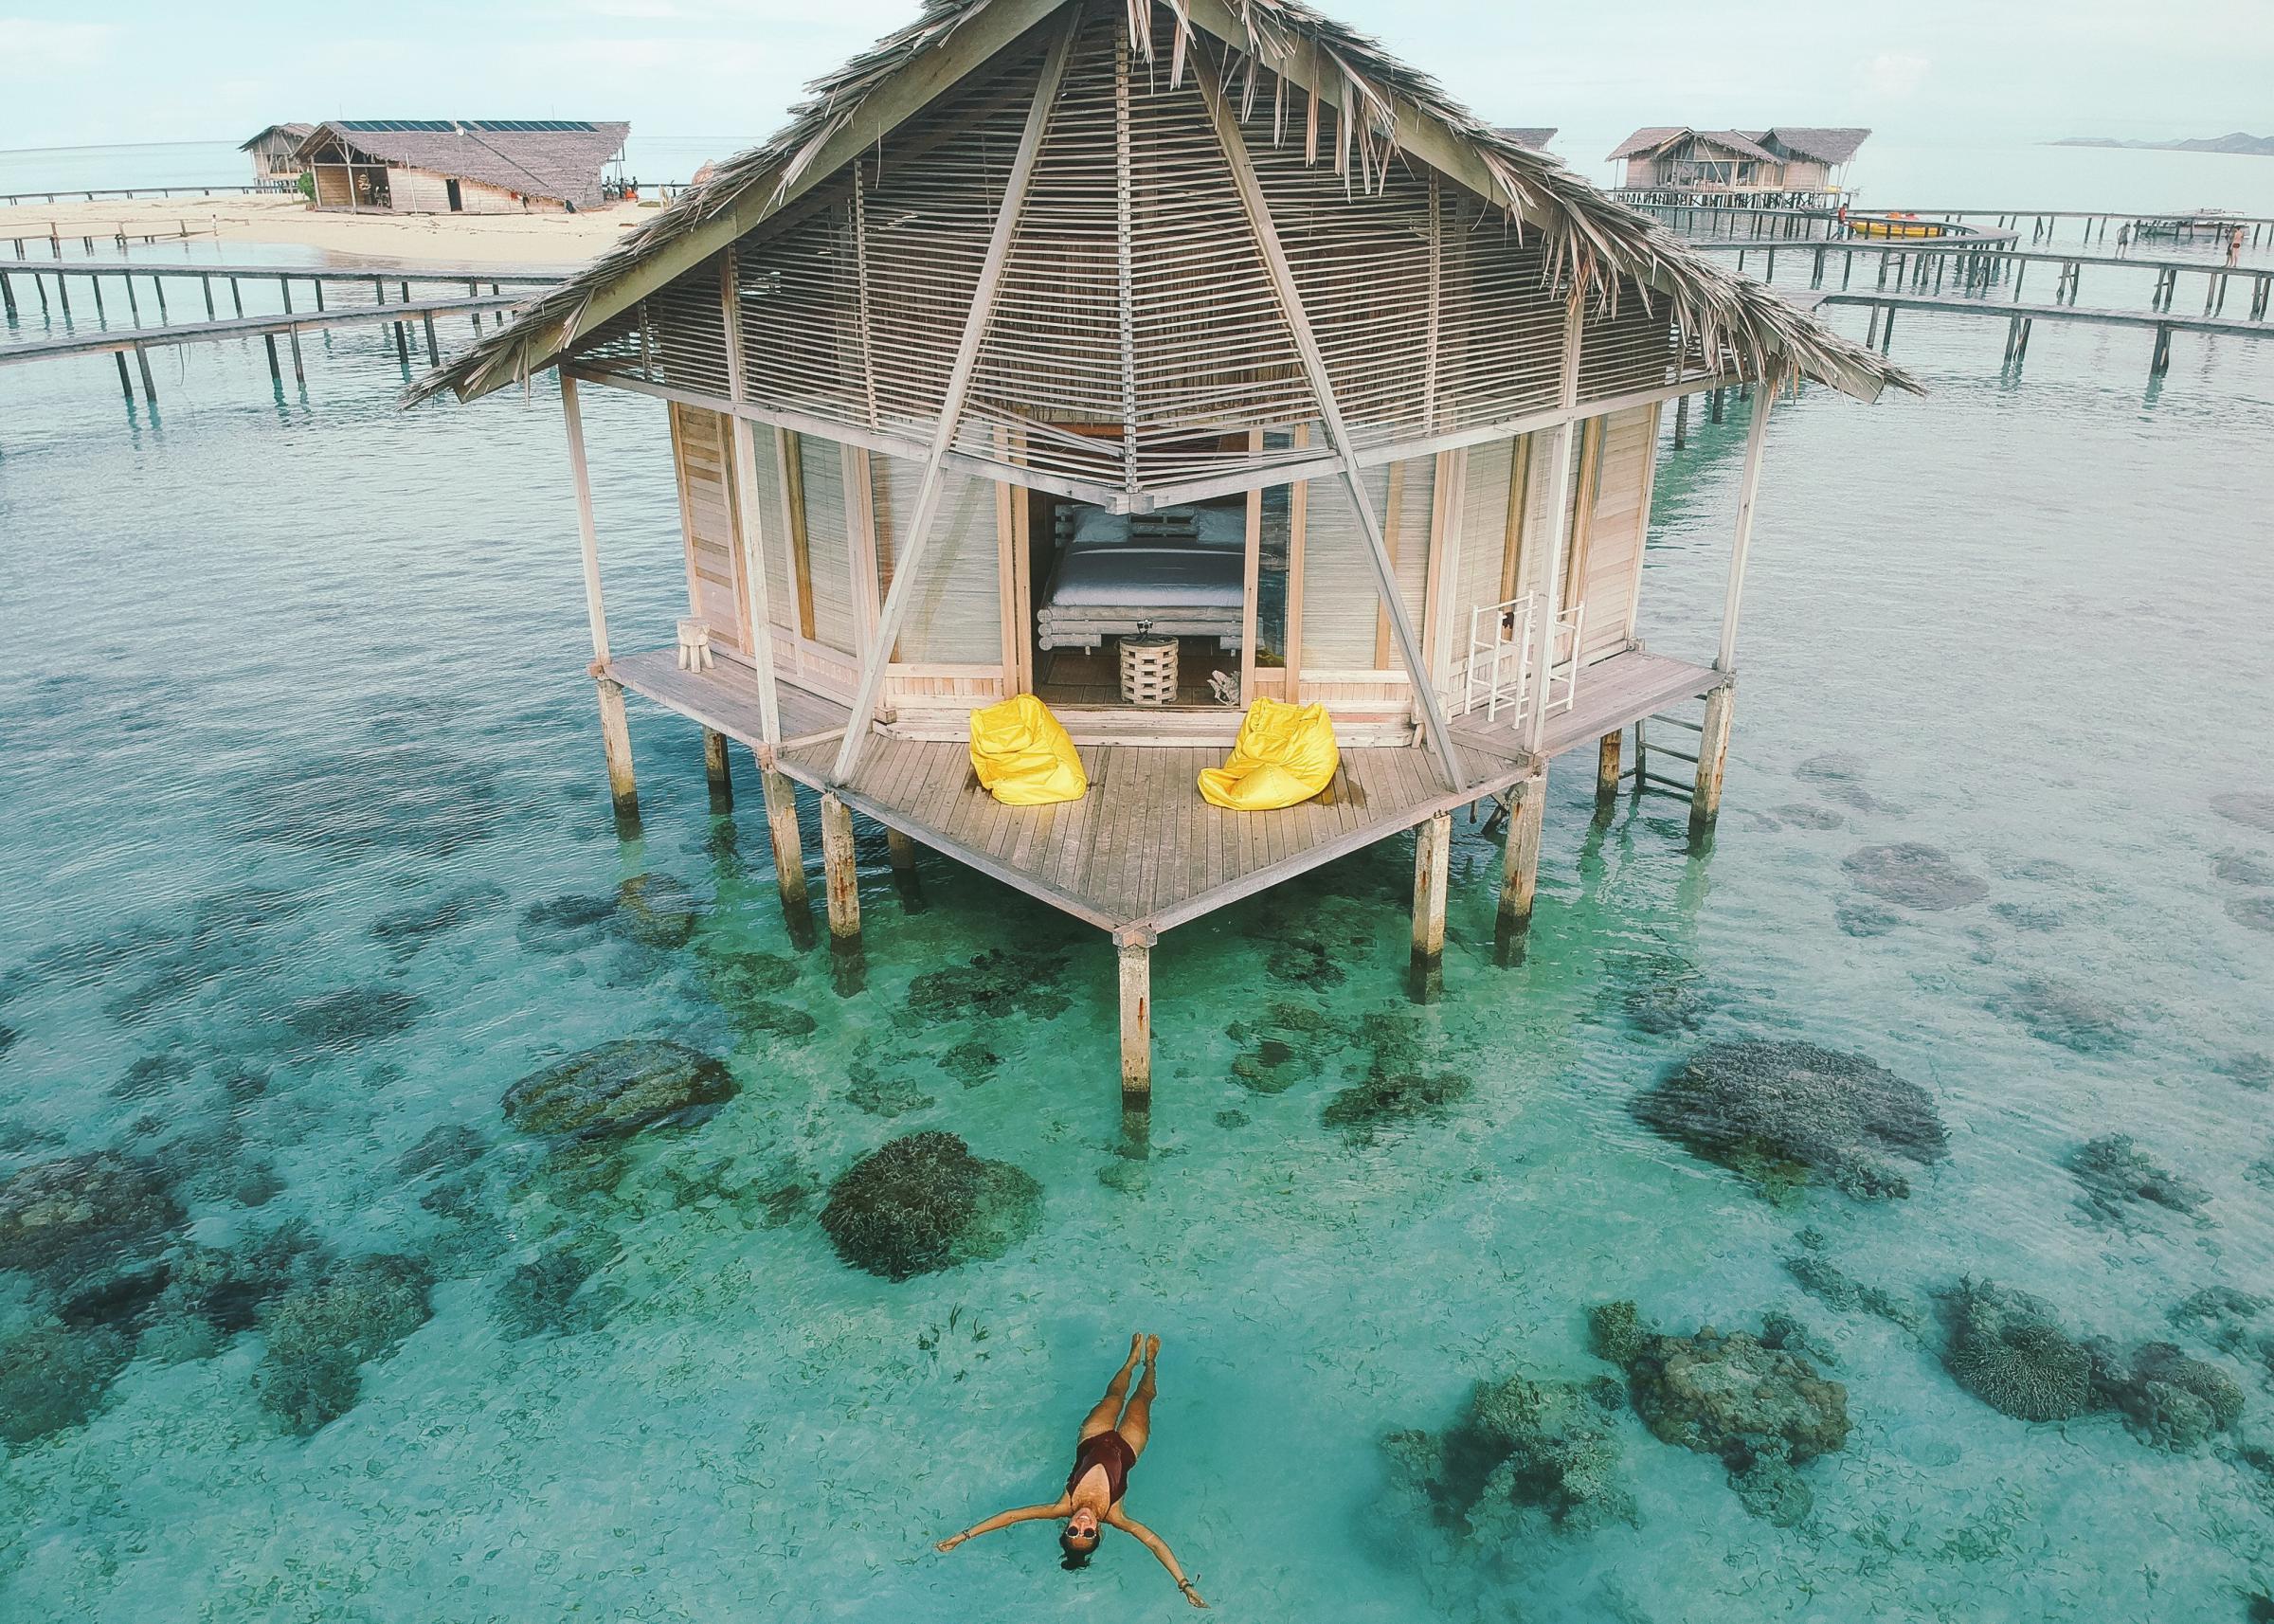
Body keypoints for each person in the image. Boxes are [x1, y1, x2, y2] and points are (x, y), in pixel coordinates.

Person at [936, 1334, 1206, 1607]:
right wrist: (1184, 1585)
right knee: (1143, 1398)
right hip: (1128, 1447)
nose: (1082, 1525)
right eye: (1088, 1533)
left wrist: (964, 1536)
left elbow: (1011, 1516)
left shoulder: (1062, 1506)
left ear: (1066, 1527)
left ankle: (1129, 1362)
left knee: (1114, 1396)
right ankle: (1150, 1363)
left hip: (1093, 1437)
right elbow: (1155, 1544)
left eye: (1073, 1531)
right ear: (1098, 1532)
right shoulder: (1116, 1515)